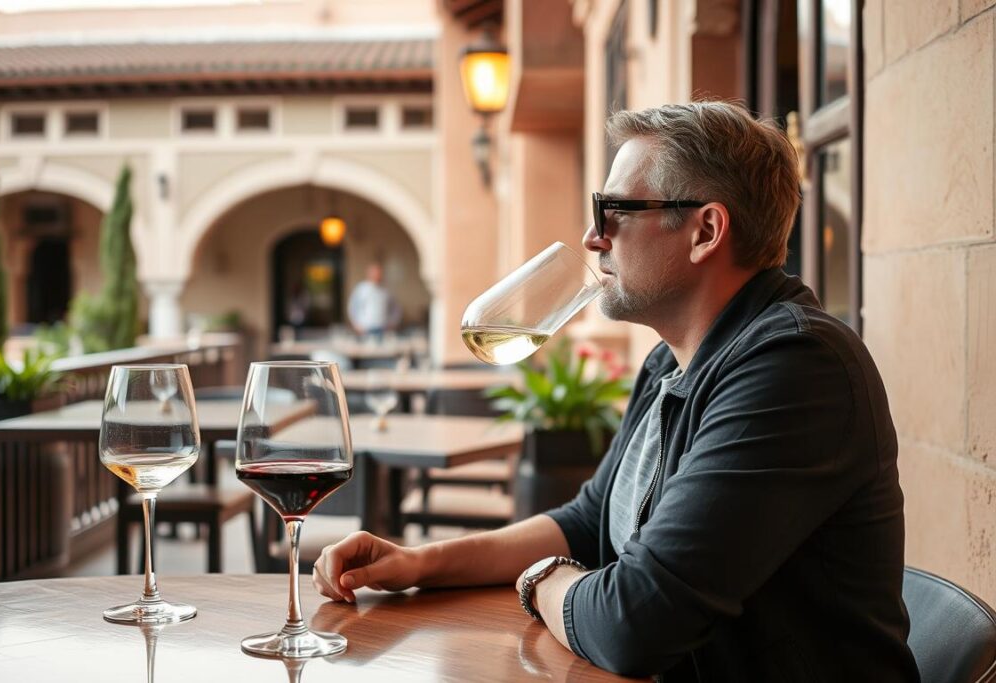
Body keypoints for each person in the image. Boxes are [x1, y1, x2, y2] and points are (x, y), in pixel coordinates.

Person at [314, 102, 919, 681]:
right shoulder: (669, 362)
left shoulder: (794, 368)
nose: (591, 238)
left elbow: (634, 622)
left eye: (612, 211)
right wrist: (421, 562)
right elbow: (587, 519)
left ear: (705, 230)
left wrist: (542, 578)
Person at [346, 261, 401, 341]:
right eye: (375, 273)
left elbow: (396, 308)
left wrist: (393, 323)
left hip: (382, 329)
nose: (377, 275)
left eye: (379, 273)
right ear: (369, 274)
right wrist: (356, 324)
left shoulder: (385, 290)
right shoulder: (362, 289)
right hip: (365, 329)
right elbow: (352, 307)